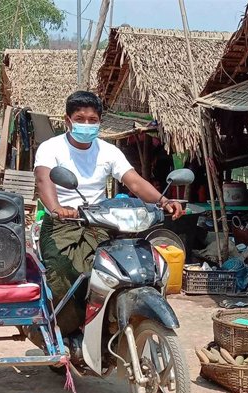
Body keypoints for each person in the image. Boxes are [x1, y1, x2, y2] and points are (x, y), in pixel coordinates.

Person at [33, 91, 183, 348]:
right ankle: (64, 332)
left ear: (100, 121)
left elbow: (134, 181)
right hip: (63, 225)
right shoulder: (51, 148)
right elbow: (43, 179)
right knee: (66, 274)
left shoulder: (108, 151)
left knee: (124, 270)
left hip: (102, 222)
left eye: (93, 119)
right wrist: (57, 208)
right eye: (80, 118)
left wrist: (163, 201)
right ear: (68, 120)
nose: (87, 124)